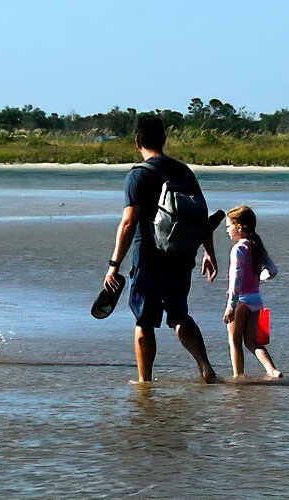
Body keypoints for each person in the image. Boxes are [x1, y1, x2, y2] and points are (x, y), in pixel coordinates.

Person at [102, 115, 220, 383]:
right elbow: (202, 215)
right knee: (180, 315)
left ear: (137, 142)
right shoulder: (184, 171)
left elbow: (129, 222)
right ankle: (206, 367)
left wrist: (114, 265)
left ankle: (145, 382)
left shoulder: (138, 174)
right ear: (164, 140)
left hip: (149, 257)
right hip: (182, 255)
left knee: (144, 321)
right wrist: (209, 252)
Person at [222, 205, 282, 379]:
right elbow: (272, 270)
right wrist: (259, 278)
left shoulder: (239, 248)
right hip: (256, 300)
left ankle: (238, 377)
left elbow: (236, 278)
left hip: (240, 301)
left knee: (234, 342)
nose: (227, 230)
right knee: (251, 341)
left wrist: (231, 306)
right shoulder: (256, 246)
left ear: (239, 226)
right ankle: (272, 371)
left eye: (228, 226)